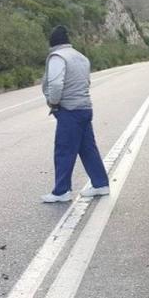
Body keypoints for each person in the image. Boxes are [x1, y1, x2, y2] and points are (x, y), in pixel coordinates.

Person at [41, 25, 110, 203]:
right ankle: (101, 184)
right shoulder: (81, 57)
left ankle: (61, 191)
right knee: (88, 148)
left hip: (69, 110)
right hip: (85, 108)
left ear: (52, 42)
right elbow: (86, 81)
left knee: (63, 150)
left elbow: (56, 85)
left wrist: (53, 102)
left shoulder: (58, 57)